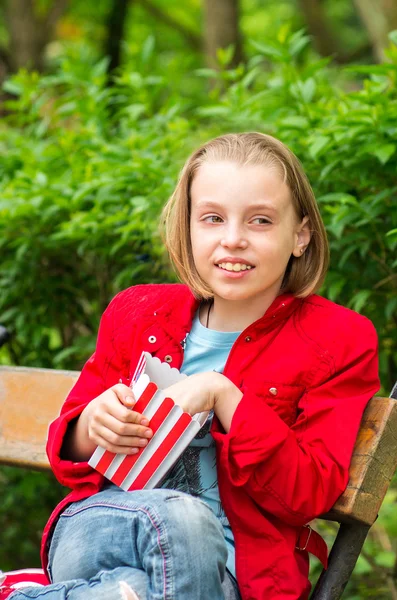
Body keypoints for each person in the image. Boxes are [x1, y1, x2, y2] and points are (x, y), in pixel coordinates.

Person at [1, 132, 379, 600]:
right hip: (102, 533)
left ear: (300, 234)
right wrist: (92, 425)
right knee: (179, 519)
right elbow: (70, 457)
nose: (233, 239)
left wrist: (225, 396)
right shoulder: (137, 312)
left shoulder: (337, 340)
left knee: (138, 588)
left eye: (261, 220)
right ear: (189, 226)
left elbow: (310, 491)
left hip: (235, 580)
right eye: (213, 218)